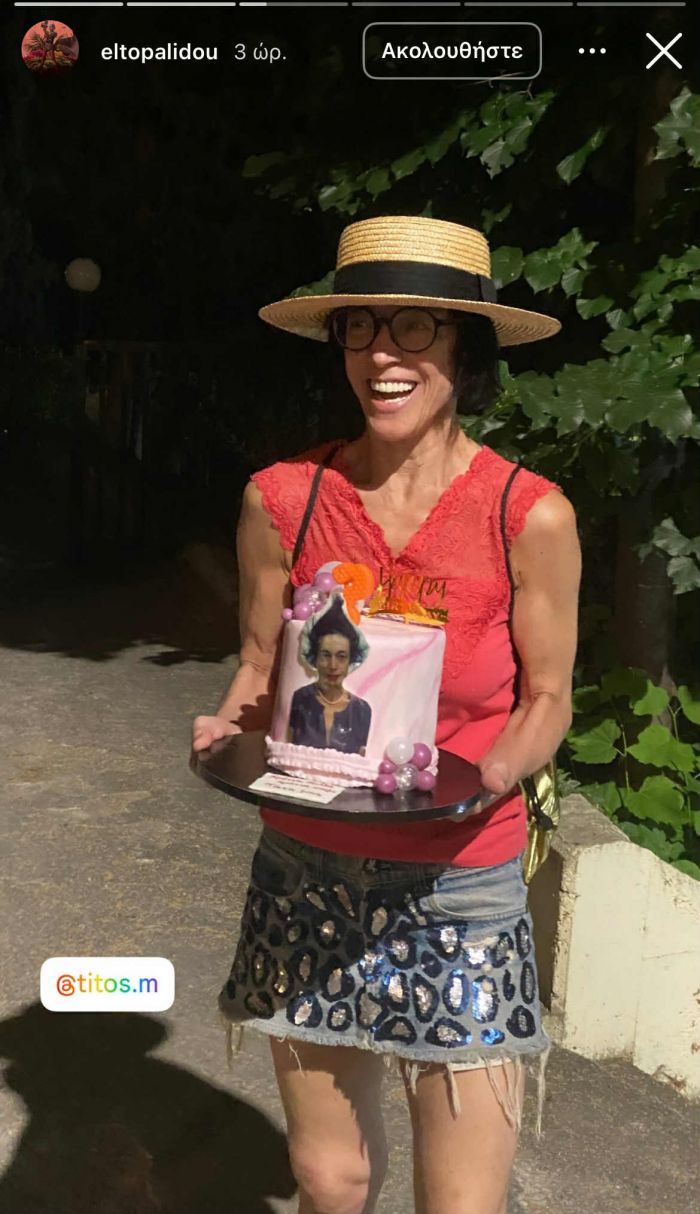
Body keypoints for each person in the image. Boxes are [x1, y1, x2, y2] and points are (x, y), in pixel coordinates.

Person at [192, 215, 581, 1214]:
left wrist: (490, 775)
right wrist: (228, 725)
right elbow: (257, 664)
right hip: (304, 872)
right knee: (330, 1180)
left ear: (465, 348)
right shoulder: (283, 498)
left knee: (458, 1202)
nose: (381, 353)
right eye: (360, 326)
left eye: (414, 326)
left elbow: (547, 696)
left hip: (462, 882)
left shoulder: (527, 513)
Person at [289, 595, 372, 754]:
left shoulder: (361, 710)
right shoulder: (300, 699)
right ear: (314, 658)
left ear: (351, 661)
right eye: (326, 655)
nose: (333, 666)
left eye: (341, 656)